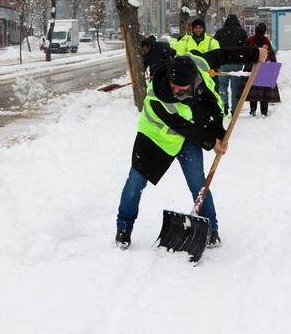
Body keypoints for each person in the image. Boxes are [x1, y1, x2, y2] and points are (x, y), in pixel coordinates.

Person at [115, 44, 269, 250]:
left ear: (193, 78)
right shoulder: (158, 97)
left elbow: (225, 54)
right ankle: (124, 228)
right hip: (155, 140)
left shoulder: (198, 65)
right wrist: (210, 141)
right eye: (174, 86)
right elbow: (184, 127)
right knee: (135, 185)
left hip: (188, 141)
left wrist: (255, 53)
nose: (176, 90)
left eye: (182, 87)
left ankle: (211, 230)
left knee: (199, 184)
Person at [213, 14, 248, 115]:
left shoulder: (220, 32)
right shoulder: (242, 32)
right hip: (237, 63)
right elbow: (245, 48)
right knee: (235, 88)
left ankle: (224, 104)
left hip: (223, 63)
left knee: (222, 86)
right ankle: (234, 109)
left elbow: (215, 47)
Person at [245, 22, 280, 117]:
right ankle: (264, 112)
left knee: (254, 92)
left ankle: (253, 111)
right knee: (265, 91)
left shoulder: (250, 40)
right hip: (265, 67)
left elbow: (245, 53)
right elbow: (271, 54)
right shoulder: (266, 41)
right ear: (264, 31)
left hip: (253, 66)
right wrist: (274, 65)